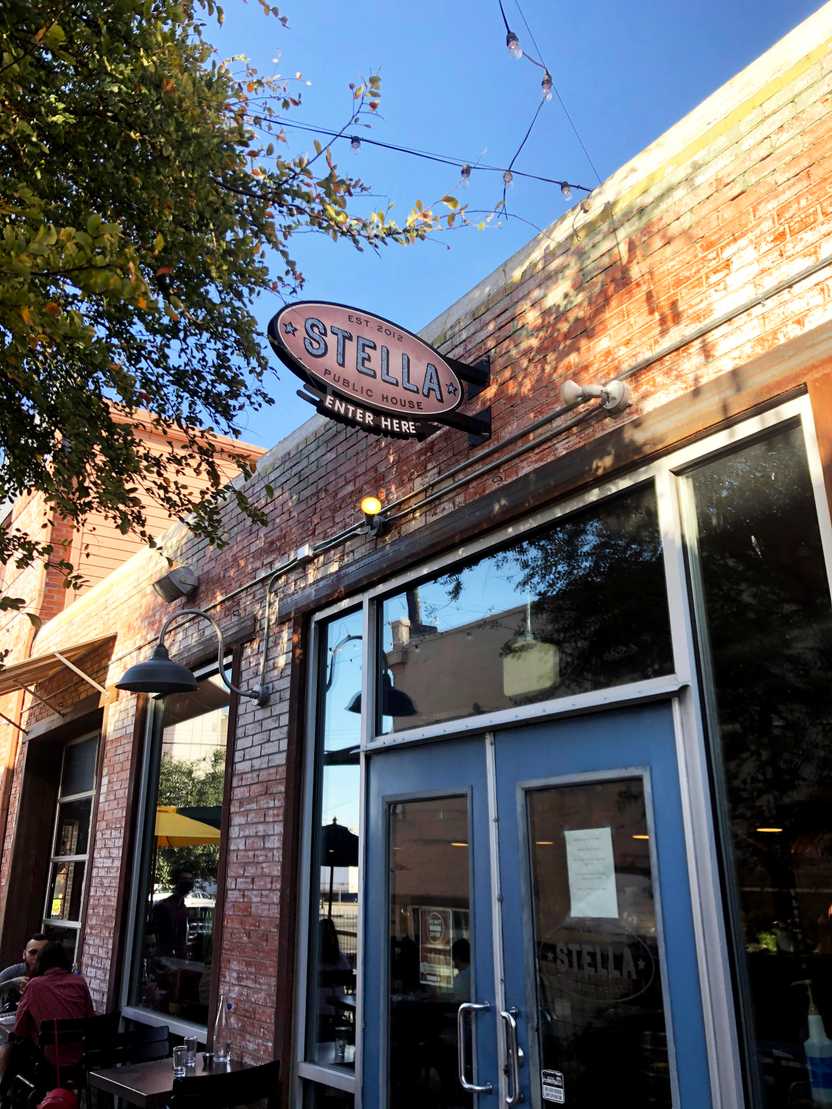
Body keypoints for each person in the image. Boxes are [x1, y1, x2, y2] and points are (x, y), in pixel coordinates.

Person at [0, 942, 94, 1079]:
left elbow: (19, 1030)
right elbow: (90, 1016)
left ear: (41, 962)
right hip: (80, 1059)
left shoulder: (35, 985)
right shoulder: (80, 982)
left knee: (12, 1049)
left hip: (47, 1062)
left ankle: (5, 1093)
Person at [0, 934, 48, 1013]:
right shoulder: (13, 972)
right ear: (24, 954)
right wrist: (12, 983)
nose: (37, 957)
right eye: (33, 952)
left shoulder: (56, 976)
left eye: (44, 953)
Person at [151, 872, 194, 959]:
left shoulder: (182, 908)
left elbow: (182, 935)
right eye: (184, 881)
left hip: (175, 955)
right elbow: (154, 932)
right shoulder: (164, 906)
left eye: (189, 881)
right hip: (164, 954)